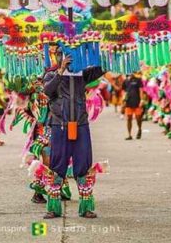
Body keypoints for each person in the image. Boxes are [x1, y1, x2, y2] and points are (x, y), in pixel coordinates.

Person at [42, 44, 104, 219]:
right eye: (64, 55)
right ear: (59, 57)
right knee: (56, 165)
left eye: (71, 56)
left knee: (83, 165)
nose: (68, 59)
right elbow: (47, 91)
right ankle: (53, 208)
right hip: (59, 125)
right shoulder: (50, 74)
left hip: (81, 124)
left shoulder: (82, 75)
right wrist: (61, 71)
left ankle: (85, 208)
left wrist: (103, 49)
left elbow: (102, 67)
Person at [122, 72, 145, 140]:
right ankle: (129, 135)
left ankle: (139, 129)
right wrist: (123, 100)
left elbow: (141, 90)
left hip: (137, 102)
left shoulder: (138, 79)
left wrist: (142, 100)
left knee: (138, 118)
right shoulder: (126, 80)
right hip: (128, 102)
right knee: (129, 118)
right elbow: (124, 91)